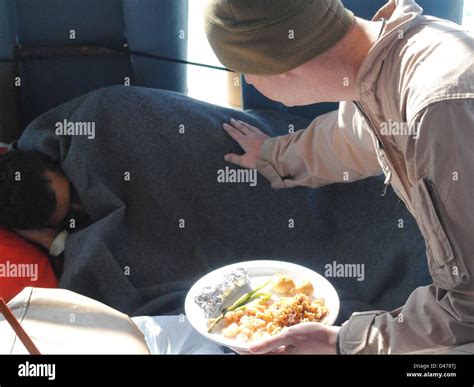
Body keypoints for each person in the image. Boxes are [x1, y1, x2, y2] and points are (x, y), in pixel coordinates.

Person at [205, 0, 474, 354]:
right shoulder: (390, 58)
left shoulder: (436, 112)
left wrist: (342, 343)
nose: (246, 81)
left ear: (282, 68)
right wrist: (272, 155)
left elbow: (467, 311)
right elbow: (354, 136)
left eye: (243, 71)